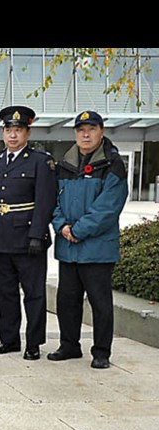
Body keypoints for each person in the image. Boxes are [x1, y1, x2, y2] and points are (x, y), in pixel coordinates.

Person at [49, 110, 128, 369]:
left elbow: (108, 208)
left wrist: (78, 231)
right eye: (81, 130)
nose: (85, 134)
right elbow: (54, 202)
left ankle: (101, 352)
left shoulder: (113, 164)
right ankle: (69, 345)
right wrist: (61, 227)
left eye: (91, 129)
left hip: (97, 250)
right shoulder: (65, 164)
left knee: (100, 303)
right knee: (67, 301)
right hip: (68, 248)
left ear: (101, 131)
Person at [0, 105, 57, 360]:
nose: (13, 135)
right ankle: (9, 340)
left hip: (29, 239)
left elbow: (45, 200)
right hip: (1, 238)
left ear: (28, 132)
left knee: (34, 293)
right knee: (4, 293)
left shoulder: (41, 161)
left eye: (18, 130)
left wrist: (38, 234)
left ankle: (33, 343)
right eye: (9, 130)